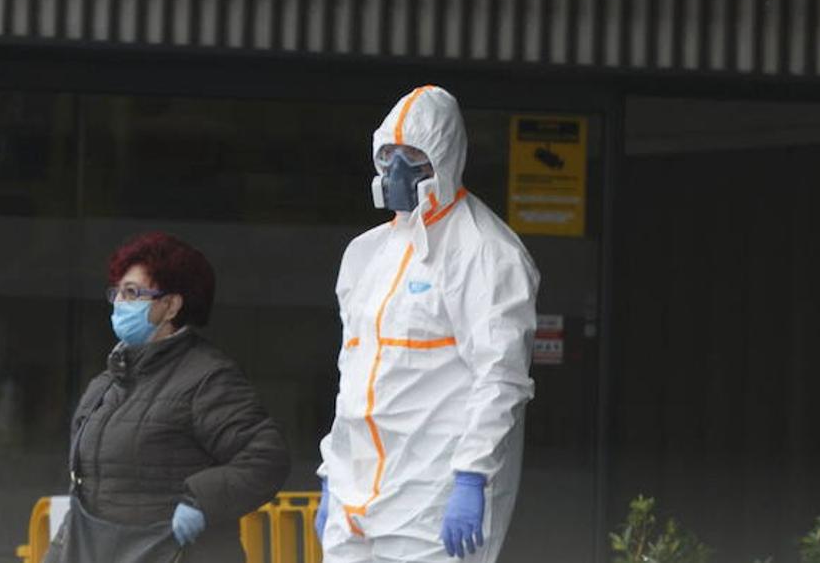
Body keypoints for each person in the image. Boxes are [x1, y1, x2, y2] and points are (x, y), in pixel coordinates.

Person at [315, 86, 538, 562]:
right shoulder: (366, 254)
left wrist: (472, 477)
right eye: (388, 154)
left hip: (434, 498)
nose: (397, 168)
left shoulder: (486, 252)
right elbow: (353, 377)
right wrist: (330, 474)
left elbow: (500, 377)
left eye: (414, 154)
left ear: (446, 156)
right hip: (356, 496)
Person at [46, 231, 290, 563]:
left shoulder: (208, 378)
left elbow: (265, 459)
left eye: (132, 293)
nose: (119, 303)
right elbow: (86, 493)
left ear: (171, 305)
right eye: (116, 292)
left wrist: (200, 502)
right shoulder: (105, 385)